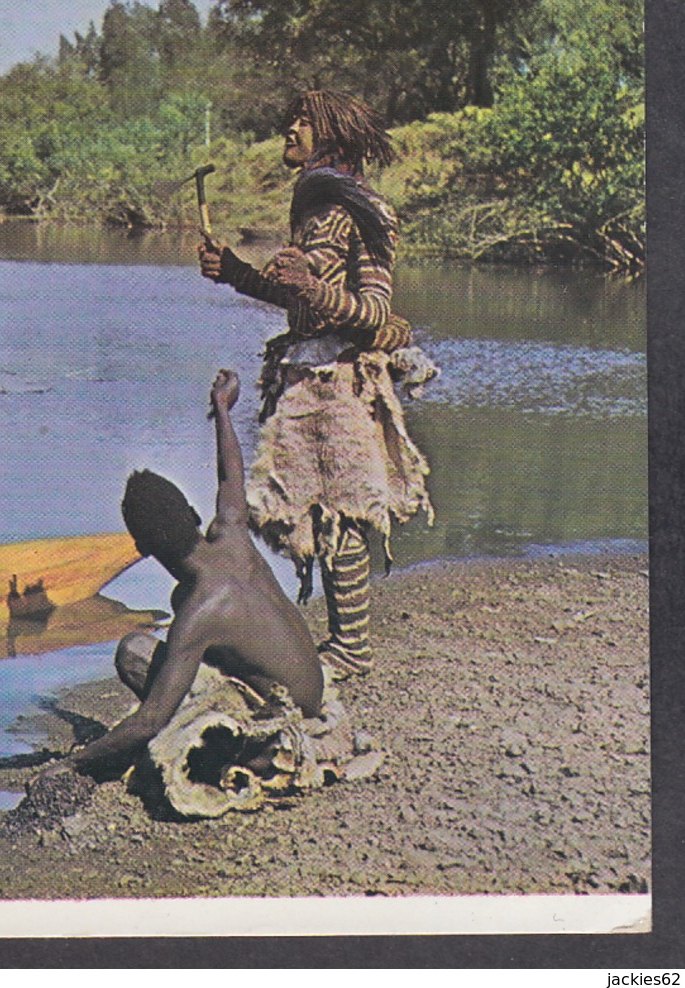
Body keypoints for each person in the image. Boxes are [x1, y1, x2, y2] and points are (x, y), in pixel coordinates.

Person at [198, 90, 433, 678]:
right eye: (292, 117)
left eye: (304, 121)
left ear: (333, 138)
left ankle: (352, 647)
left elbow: (377, 314)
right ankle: (334, 639)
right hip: (304, 379)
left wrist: (310, 283)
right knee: (308, 511)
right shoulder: (314, 208)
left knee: (342, 512)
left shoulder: (365, 212)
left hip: (343, 380)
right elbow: (297, 299)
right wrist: (238, 275)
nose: (290, 127)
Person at [58, 370, 325, 773]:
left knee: (135, 650)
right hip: (313, 689)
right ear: (195, 515)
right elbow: (230, 473)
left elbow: (149, 721)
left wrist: (73, 763)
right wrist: (222, 409)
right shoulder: (232, 533)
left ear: (144, 549)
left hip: (284, 727)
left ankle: (237, 752)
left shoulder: (200, 612)